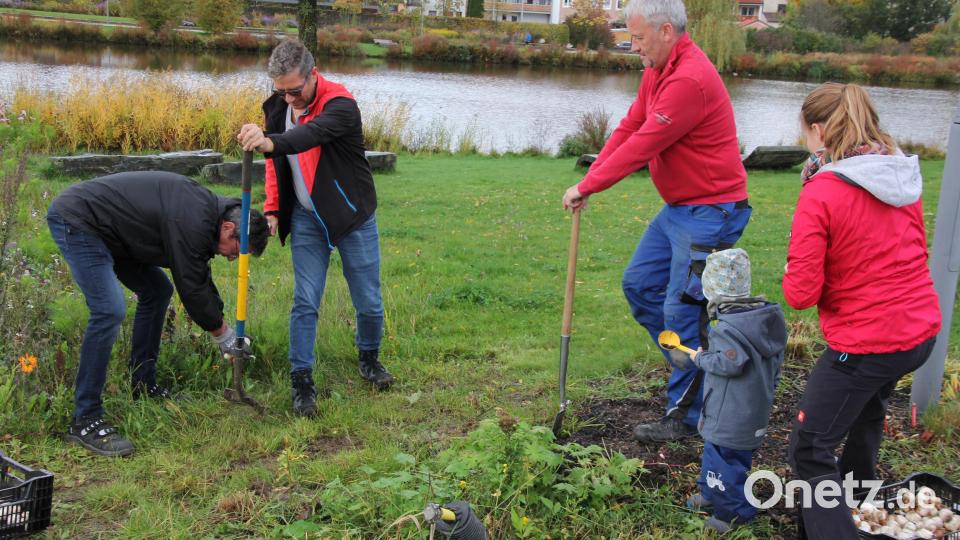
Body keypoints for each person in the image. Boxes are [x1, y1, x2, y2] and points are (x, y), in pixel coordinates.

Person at [561, 0, 750, 443]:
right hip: (680, 208)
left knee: (681, 309)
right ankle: (696, 371)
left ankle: (686, 414)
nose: (634, 46)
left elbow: (644, 145)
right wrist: (589, 177)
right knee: (639, 285)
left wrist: (588, 188)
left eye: (639, 38)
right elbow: (630, 127)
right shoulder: (658, 71)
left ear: (667, 31)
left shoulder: (689, 80)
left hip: (710, 211)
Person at [783, 82, 941, 539]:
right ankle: (860, 510)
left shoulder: (822, 191)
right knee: (867, 411)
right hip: (917, 333)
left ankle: (833, 530)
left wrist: (795, 260)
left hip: (868, 340)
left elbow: (800, 293)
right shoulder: (899, 174)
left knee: (810, 448)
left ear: (818, 131)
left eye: (806, 135)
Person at [46, 171, 270, 457]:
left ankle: (143, 384)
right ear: (228, 228)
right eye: (238, 250)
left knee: (157, 290)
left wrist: (222, 327)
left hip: (117, 232)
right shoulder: (193, 220)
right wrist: (223, 335)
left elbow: (199, 276)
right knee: (109, 309)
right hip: (82, 222)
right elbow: (191, 286)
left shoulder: (205, 217)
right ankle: (85, 418)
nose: (232, 258)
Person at [237, 39, 393, 419]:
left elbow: (306, 138)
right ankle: (302, 381)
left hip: (351, 215)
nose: (288, 99)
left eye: (295, 90)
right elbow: (277, 166)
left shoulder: (340, 105)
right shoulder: (277, 106)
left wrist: (269, 141)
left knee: (368, 300)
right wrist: (274, 207)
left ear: (313, 74)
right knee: (305, 300)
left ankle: (369, 359)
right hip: (307, 219)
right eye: (280, 91)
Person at [679, 248, 786, 534]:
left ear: (713, 291)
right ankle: (711, 493)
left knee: (723, 461)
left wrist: (700, 358)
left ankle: (732, 514)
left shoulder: (728, 328)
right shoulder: (762, 321)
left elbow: (729, 362)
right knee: (725, 456)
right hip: (752, 410)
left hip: (730, 413)